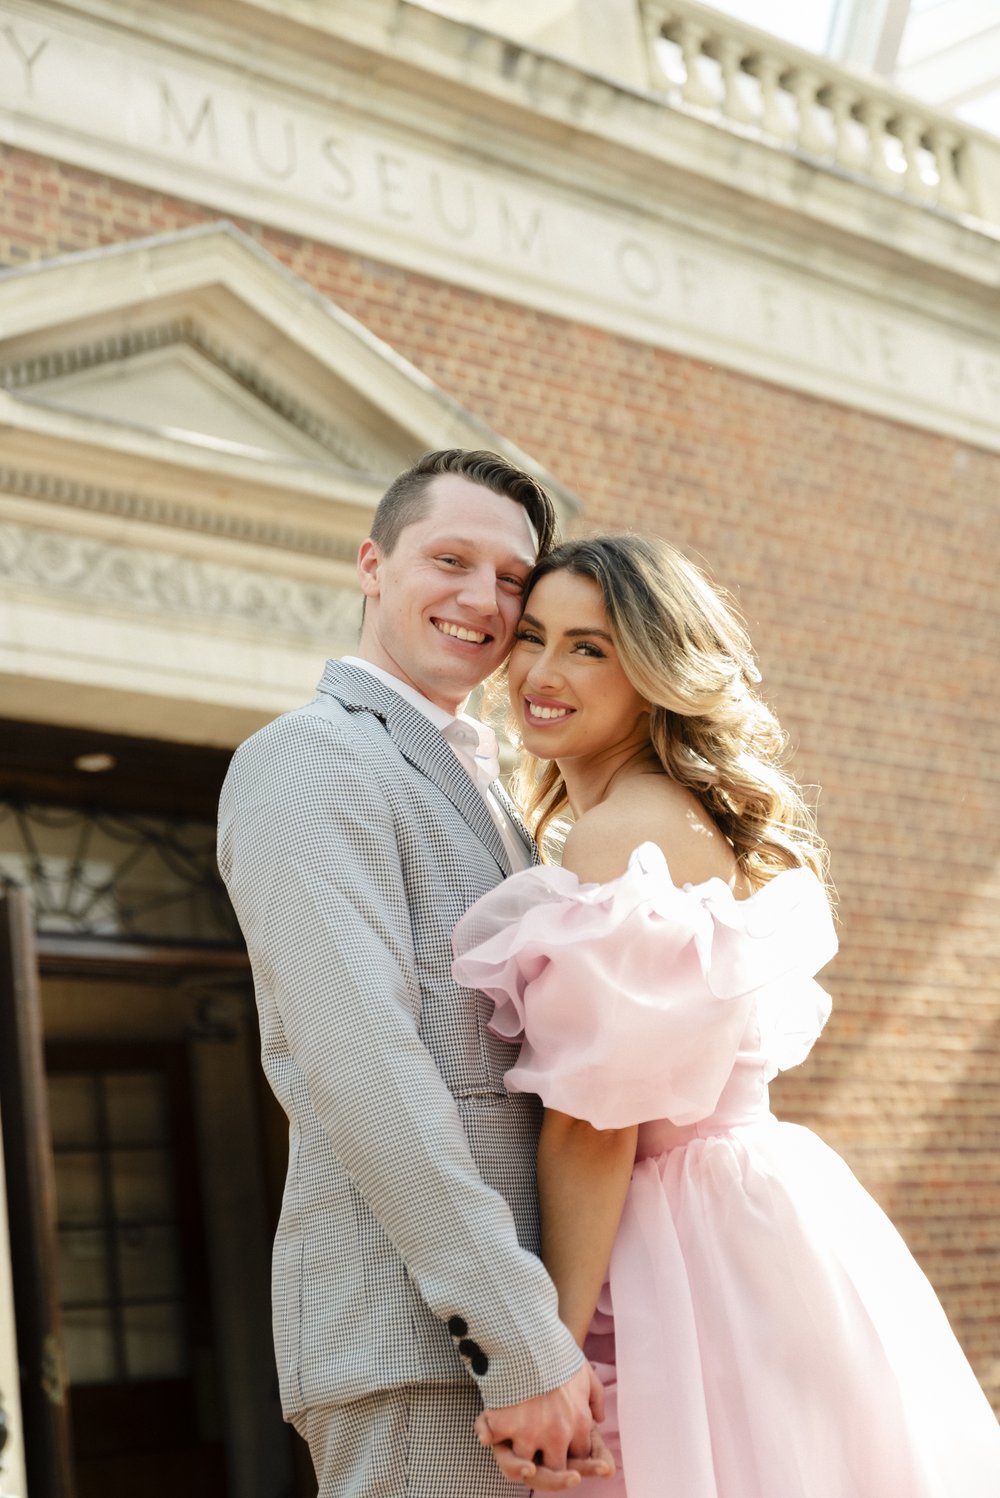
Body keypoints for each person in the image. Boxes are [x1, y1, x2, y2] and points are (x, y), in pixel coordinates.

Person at [452, 533, 1000, 1498]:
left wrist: (551, 1355)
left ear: (656, 671)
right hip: (744, 1219)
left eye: (590, 647)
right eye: (532, 636)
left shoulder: (630, 832)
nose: (541, 671)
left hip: (687, 1242)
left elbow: (593, 1122)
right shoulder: (658, 815)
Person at [218, 451, 613, 1496]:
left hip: (528, 1341)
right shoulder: (309, 756)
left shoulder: (483, 782)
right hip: (426, 1352)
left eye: (511, 577)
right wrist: (519, 1342)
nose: (482, 599)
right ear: (371, 564)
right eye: (450, 558)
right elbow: (363, 1065)